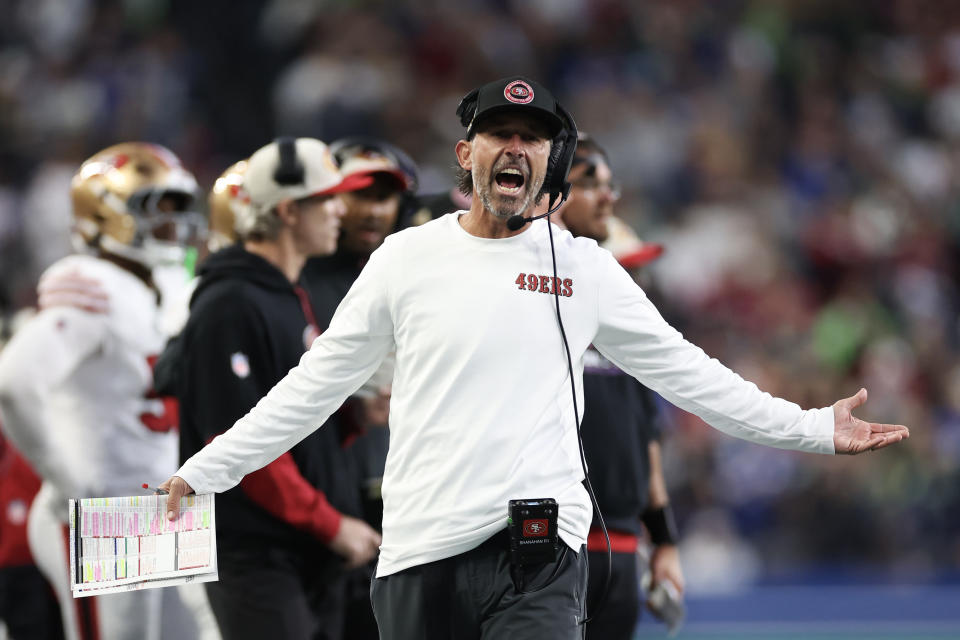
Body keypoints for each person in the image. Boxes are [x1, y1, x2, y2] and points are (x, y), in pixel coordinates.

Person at [159, 77, 908, 640]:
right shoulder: (404, 259)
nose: (516, 147)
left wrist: (811, 427)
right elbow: (311, 388)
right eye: (499, 134)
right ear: (466, 155)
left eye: (533, 137)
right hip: (420, 554)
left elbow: (691, 376)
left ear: (552, 162)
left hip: (539, 554)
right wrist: (203, 472)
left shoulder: (583, 269)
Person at [170, 137, 381, 640]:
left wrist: (354, 420)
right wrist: (332, 524)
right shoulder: (228, 304)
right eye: (327, 199)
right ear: (288, 210)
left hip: (304, 552)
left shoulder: (288, 295)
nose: (339, 211)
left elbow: (289, 423)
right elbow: (238, 445)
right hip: (257, 558)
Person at [0, 142, 204, 640]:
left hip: (168, 501)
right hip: (111, 507)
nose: (172, 226)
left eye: (178, 210)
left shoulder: (170, 286)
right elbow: (14, 385)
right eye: (157, 210)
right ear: (108, 215)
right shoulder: (92, 285)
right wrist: (64, 477)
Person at [544, 133, 682, 637]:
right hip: (552, 538)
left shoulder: (629, 338)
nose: (639, 281)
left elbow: (646, 443)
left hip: (620, 543)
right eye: (631, 268)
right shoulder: (540, 298)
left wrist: (663, 539)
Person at [300, 137, 421, 639]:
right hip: (317, 501)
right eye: (358, 194)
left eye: (384, 196)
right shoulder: (294, 276)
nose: (373, 210)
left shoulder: (413, 273)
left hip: (403, 498)